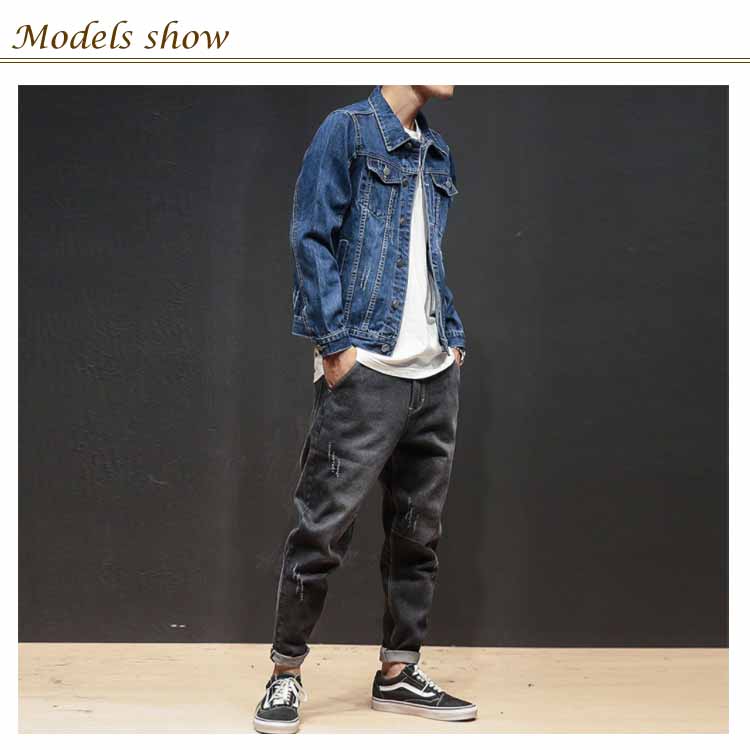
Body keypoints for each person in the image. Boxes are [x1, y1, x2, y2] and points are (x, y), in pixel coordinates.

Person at [253, 85, 476, 733]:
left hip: (433, 371)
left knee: (418, 534)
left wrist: (451, 336)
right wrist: (334, 345)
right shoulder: (347, 131)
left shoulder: (436, 150)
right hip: (366, 366)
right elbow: (310, 236)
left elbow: (428, 255)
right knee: (322, 528)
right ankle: (285, 673)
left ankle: (399, 672)